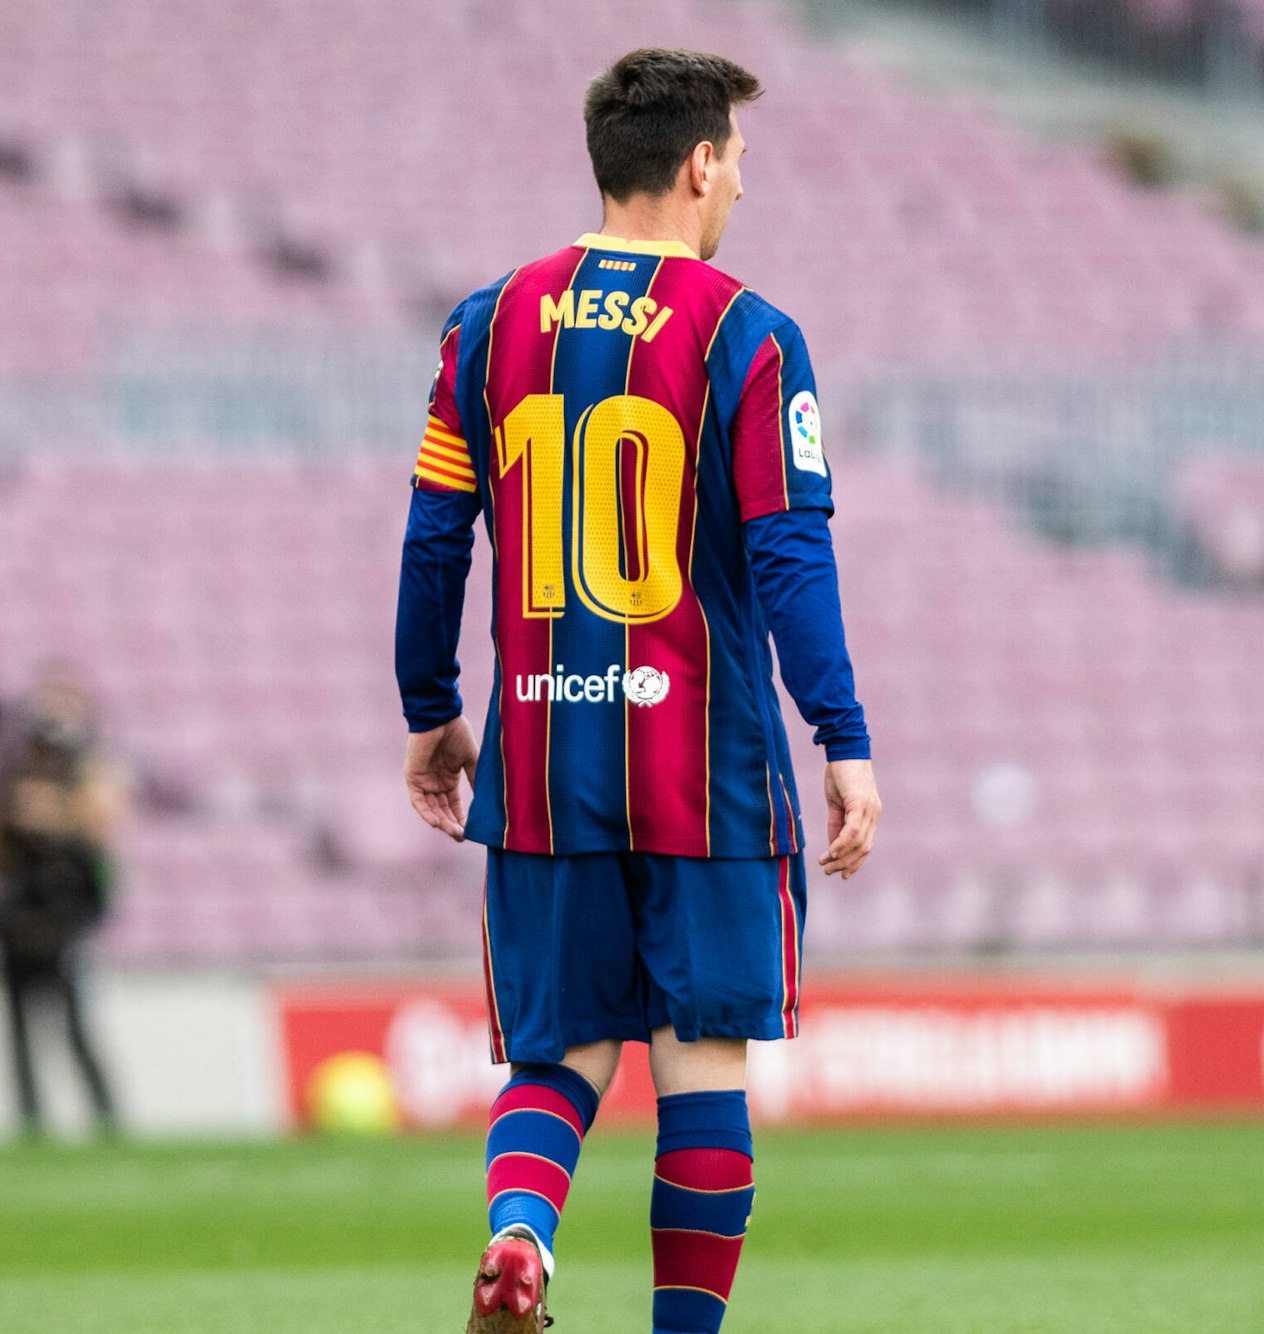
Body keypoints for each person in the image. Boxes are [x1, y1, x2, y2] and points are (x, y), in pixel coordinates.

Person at [394, 47, 881, 1334]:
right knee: (700, 1065)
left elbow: (437, 535)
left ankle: (519, 1235)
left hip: (546, 759)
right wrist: (843, 733)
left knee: (562, 1053)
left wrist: (427, 707)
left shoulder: (485, 324)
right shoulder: (749, 334)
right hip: (703, 764)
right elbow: (789, 551)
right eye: (738, 167)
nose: (741, 194)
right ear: (701, 163)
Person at [0, 670, 124, 1137]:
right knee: (19, 1034)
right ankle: (31, 1124)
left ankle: (107, 1119)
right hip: (19, 924)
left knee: (77, 1031)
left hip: (64, 925)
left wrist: (50, 813)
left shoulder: (84, 777)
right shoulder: (7, 785)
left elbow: (102, 830)